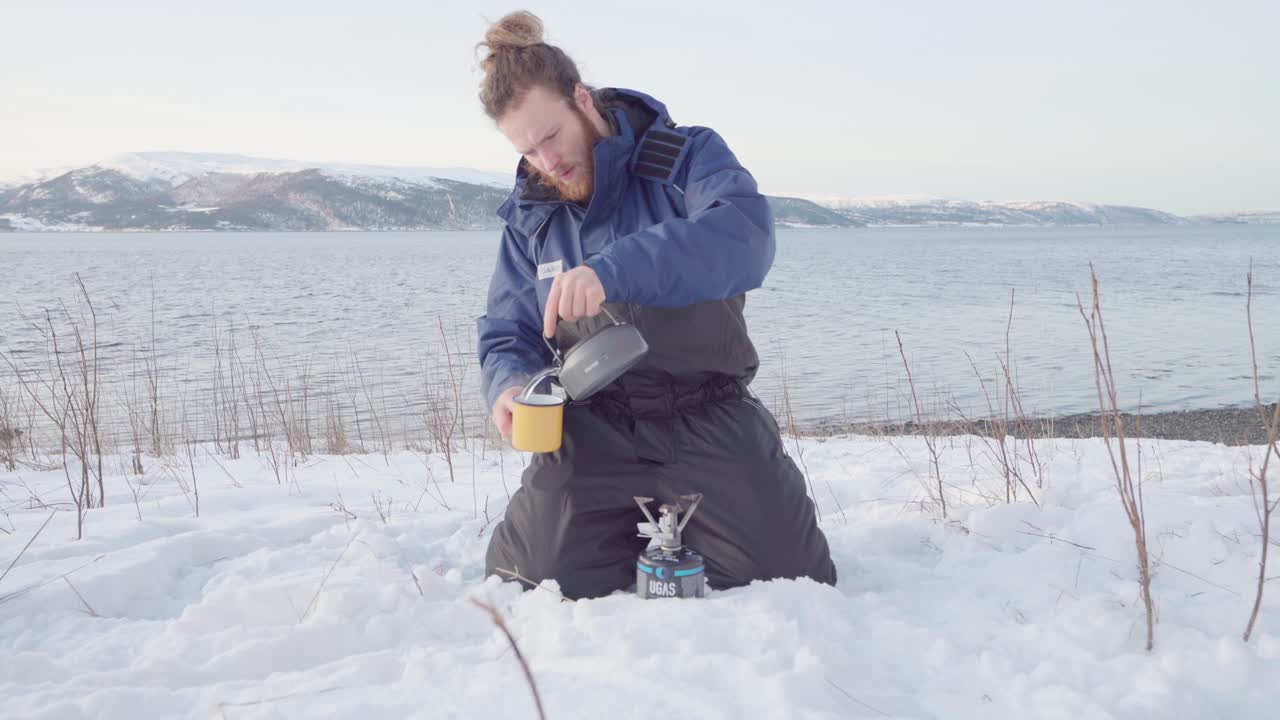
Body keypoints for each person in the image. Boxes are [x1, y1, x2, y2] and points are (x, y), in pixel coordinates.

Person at [474, 11, 836, 600]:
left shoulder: (686, 157)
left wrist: (612, 271)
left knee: (793, 577)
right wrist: (508, 384)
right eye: (528, 151)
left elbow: (746, 235)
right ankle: (625, 526)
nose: (548, 162)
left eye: (551, 136)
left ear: (582, 101)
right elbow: (508, 327)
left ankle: (687, 512)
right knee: (530, 580)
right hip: (592, 425)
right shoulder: (532, 219)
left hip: (706, 413)